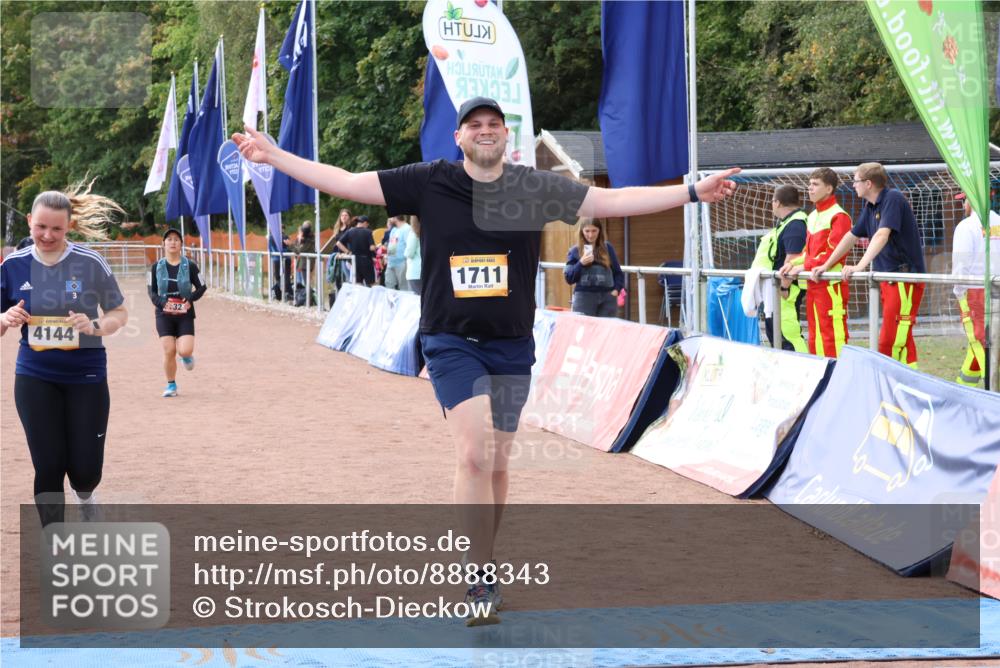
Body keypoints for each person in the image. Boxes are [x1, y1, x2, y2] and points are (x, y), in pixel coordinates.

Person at [233, 95, 739, 625]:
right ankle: (479, 574)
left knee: (496, 461)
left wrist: (690, 193)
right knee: (474, 454)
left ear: (506, 138)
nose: (484, 130)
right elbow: (346, 181)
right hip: (450, 340)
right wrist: (275, 156)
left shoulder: (535, 187)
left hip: (511, 342)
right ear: (460, 138)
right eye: (474, 124)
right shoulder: (430, 180)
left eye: (493, 124)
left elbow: (611, 202)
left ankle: (483, 557)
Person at [0, 184, 129, 525]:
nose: (47, 235)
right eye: (41, 226)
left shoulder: (89, 262)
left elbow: (119, 313)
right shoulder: (12, 266)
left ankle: (85, 496)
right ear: (29, 221)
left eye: (56, 228)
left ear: (68, 226)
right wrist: (4, 318)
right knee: (48, 465)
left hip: (86, 376)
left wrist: (96, 326)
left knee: (85, 470)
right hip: (35, 376)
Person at [812, 162, 926, 367]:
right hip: (888, 279)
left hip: (903, 278)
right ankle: (907, 388)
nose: (853, 185)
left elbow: (882, 234)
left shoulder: (893, 198)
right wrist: (827, 265)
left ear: (868, 183)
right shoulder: (870, 206)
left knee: (889, 341)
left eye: (855, 181)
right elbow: (851, 236)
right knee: (903, 338)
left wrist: (859, 266)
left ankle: (886, 386)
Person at [781, 168, 851, 358]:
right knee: (815, 337)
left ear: (829, 189)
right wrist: (793, 263)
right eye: (810, 184)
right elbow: (808, 251)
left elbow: (833, 251)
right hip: (814, 283)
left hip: (831, 285)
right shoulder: (812, 216)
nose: (809, 188)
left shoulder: (839, 216)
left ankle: (838, 378)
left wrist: (804, 265)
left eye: (815, 184)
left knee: (833, 336)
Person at [148, 228, 207, 398]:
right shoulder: (155, 267)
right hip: (163, 315)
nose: (172, 242)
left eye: (176, 239)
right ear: (163, 244)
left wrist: (190, 300)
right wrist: (162, 303)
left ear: (181, 244)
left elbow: (202, 286)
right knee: (169, 350)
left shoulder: (190, 265)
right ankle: (171, 385)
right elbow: (151, 292)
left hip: (184, 314)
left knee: (184, 351)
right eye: (169, 239)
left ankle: (187, 357)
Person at [951, 191, 1000, 386]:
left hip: (974, 291)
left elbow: (961, 265)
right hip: (997, 287)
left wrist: (958, 292)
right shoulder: (998, 221)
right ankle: (962, 389)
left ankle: (992, 391)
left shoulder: (965, 227)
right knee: (991, 339)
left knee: (980, 341)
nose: (963, 205)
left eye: (963, 200)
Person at [754, 185, 807, 352]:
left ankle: (803, 370)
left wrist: (784, 287)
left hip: (786, 289)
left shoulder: (796, 224)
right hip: (778, 288)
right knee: (776, 333)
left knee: (787, 334)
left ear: (777, 202)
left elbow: (793, 259)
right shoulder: (789, 222)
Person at [563, 217, 625, 317]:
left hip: (607, 298)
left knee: (607, 330)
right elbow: (569, 278)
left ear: (599, 231)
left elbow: (618, 273)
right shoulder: (574, 251)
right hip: (584, 298)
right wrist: (581, 263)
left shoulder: (608, 248)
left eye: (594, 231)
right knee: (584, 329)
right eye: (587, 231)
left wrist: (616, 290)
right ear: (582, 231)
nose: (590, 235)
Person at [336, 215, 376, 286]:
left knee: (358, 285)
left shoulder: (350, 231)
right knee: (372, 284)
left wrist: (348, 252)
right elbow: (372, 248)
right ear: (365, 223)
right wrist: (376, 248)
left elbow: (338, 243)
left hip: (355, 261)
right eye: (367, 224)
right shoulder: (368, 232)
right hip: (366, 261)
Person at [385, 215, 411, 291]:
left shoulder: (407, 229)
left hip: (402, 263)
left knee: (404, 288)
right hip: (391, 263)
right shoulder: (394, 230)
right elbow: (392, 246)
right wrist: (387, 257)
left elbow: (409, 246)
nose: (389, 219)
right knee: (389, 285)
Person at [269, 232, 293, 302]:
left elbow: (272, 249)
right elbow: (290, 249)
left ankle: (286, 293)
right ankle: (287, 293)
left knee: (279, 277)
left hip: (278, 259)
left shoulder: (272, 237)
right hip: (284, 259)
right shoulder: (285, 236)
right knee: (285, 277)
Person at [404, 216, 422, 294]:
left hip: (415, 272)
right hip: (427, 271)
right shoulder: (429, 232)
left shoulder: (414, 233)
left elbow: (409, 253)